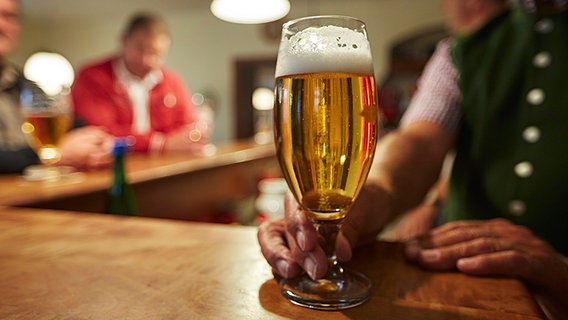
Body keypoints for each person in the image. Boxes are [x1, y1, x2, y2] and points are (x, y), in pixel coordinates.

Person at [257, 0, 568, 319]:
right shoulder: (461, 51)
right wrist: (365, 196)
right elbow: (419, 142)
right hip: (467, 288)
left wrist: (562, 270)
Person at [0, 0, 112, 174]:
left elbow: (69, 125)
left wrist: (95, 143)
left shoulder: (23, 83)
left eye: (9, 16)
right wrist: (51, 155)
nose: (1, 24)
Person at [71, 13, 209, 154]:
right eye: (140, 49)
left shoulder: (172, 81)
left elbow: (188, 127)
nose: (146, 60)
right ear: (123, 41)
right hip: (110, 166)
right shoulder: (92, 77)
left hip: (165, 167)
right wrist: (159, 144)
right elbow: (99, 132)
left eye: (156, 53)